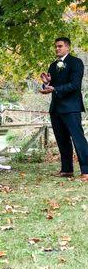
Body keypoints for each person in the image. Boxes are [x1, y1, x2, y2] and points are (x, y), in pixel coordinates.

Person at [40, 37, 88, 181]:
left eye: (60, 46)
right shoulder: (53, 65)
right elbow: (49, 87)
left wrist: (54, 88)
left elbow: (75, 85)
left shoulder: (76, 62)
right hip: (56, 108)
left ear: (68, 47)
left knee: (78, 139)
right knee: (62, 140)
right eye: (56, 46)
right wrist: (46, 84)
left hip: (71, 107)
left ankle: (86, 170)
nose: (57, 49)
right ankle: (67, 170)